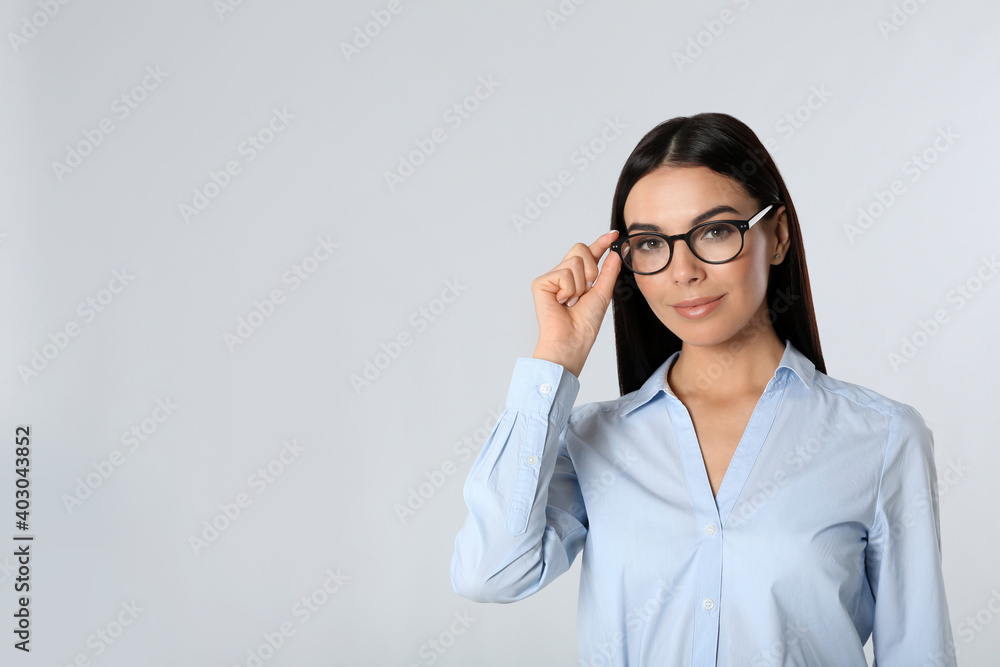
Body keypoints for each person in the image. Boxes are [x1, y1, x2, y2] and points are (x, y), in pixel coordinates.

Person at [450, 112, 956, 666]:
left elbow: (919, 652)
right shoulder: (589, 440)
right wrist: (556, 359)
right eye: (650, 244)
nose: (682, 271)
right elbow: (490, 572)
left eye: (715, 231)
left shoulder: (880, 437)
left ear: (778, 235)